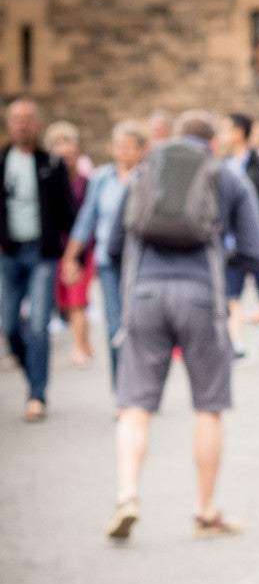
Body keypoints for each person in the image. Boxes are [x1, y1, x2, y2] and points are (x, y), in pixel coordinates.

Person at [104, 110, 259, 541]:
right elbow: (257, 249)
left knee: (135, 403)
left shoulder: (145, 171)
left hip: (144, 294)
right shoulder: (226, 176)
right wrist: (220, 256)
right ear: (213, 142)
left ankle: (126, 496)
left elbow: (113, 246)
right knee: (209, 405)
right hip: (201, 295)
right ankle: (205, 510)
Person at [0, 98, 76, 421]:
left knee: (39, 325)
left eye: (28, 119)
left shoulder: (51, 164)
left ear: (38, 124)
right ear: (8, 123)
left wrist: (74, 257)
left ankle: (37, 394)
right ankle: (31, 373)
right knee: (8, 325)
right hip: (8, 253)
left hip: (42, 254)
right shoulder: (2, 162)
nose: (22, 124)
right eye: (16, 119)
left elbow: (68, 213)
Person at [60, 120, 147, 389]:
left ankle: (141, 385)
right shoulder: (101, 178)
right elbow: (87, 219)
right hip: (108, 261)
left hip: (141, 263)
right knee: (114, 327)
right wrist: (70, 257)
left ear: (141, 150)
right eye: (118, 146)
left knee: (139, 326)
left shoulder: (148, 177)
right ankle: (121, 388)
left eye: (128, 147)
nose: (122, 152)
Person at [219, 112, 259, 362]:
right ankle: (237, 343)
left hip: (258, 240)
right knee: (232, 294)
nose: (222, 135)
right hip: (231, 242)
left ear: (239, 131)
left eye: (226, 129)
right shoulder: (222, 164)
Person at [45, 120, 95, 367]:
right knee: (68, 302)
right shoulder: (49, 181)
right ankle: (85, 344)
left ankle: (79, 347)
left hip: (81, 249)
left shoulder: (86, 182)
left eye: (68, 145)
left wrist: (75, 255)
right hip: (56, 248)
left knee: (77, 301)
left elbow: (88, 221)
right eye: (57, 144)